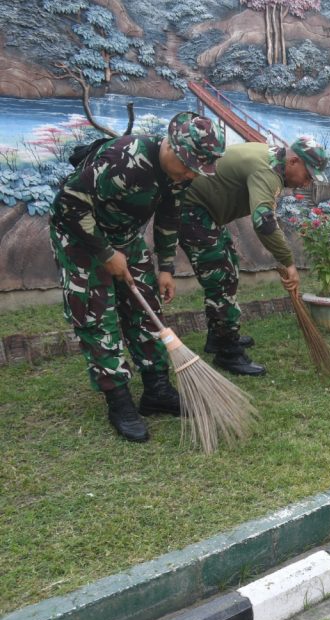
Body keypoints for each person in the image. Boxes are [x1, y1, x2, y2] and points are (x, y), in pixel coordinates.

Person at [49, 112, 225, 442]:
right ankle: (119, 400)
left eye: (196, 170)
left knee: (147, 311)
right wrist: (104, 253)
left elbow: (170, 214)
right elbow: (67, 206)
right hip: (80, 235)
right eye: (188, 166)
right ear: (170, 147)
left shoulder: (181, 173)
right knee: (97, 316)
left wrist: (166, 267)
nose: (190, 174)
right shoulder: (121, 160)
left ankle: (157, 390)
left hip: (125, 237)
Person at [166, 137, 329, 376]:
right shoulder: (268, 171)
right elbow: (263, 222)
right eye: (307, 175)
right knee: (221, 277)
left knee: (227, 267)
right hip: (191, 209)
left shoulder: (274, 159)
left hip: (203, 211)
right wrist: (288, 262)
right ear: (294, 161)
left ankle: (218, 336)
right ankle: (227, 352)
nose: (306, 183)